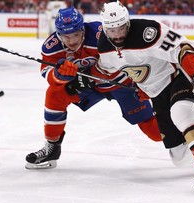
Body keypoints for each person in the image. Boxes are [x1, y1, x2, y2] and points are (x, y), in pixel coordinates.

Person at [92, 1, 194, 193]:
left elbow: (183, 48)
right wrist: (81, 79)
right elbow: (107, 71)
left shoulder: (147, 31)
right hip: (156, 93)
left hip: (176, 78)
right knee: (179, 157)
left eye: (122, 28)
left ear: (128, 23)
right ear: (105, 28)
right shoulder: (104, 48)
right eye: (112, 30)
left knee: (182, 111)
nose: (118, 34)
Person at [25, 7, 162, 170]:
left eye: (75, 35)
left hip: (121, 83)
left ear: (82, 28)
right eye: (66, 36)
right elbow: (46, 72)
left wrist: (143, 83)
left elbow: (126, 59)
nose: (71, 41)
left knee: (154, 132)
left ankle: (189, 137)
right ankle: (52, 147)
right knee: (55, 94)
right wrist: (60, 76)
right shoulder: (52, 46)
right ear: (58, 34)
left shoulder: (100, 34)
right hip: (89, 86)